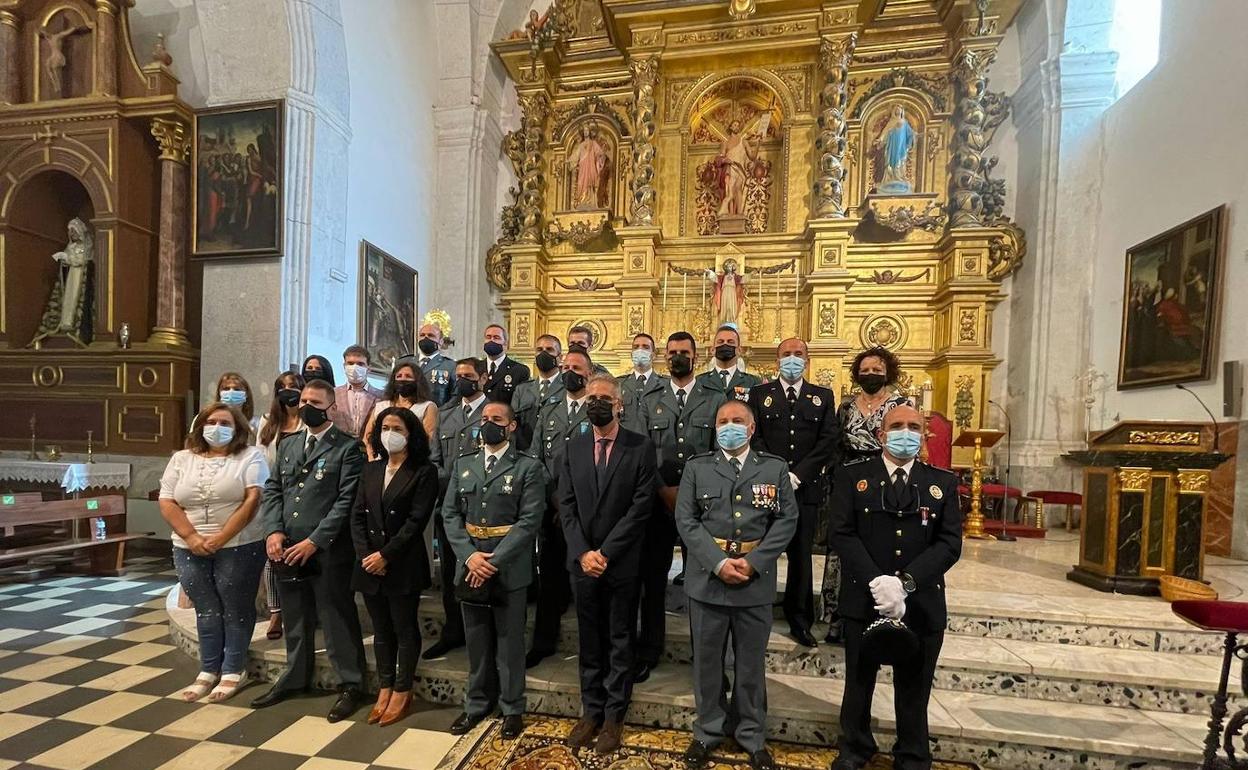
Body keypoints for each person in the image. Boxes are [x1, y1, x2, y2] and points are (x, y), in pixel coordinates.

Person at [829, 403, 961, 770]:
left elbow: (949, 543)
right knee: (858, 683)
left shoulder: (942, 483)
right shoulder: (852, 476)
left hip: (921, 601)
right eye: (897, 426)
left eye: (914, 427)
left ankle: (913, 755)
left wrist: (904, 584)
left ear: (924, 434)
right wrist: (877, 581)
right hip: (864, 597)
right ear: (881, 434)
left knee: (915, 687)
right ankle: (854, 748)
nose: (906, 433)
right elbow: (841, 532)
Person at [676, 400, 798, 770]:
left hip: (753, 581)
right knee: (707, 664)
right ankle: (707, 732)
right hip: (707, 581)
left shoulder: (774, 468)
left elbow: (786, 520)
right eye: (723, 421)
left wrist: (754, 562)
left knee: (750, 666)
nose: (729, 427)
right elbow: (686, 520)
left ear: (752, 428)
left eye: (737, 421)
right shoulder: (697, 467)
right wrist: (717, 563)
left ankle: (752, 735)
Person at [252, 379, 367, 722]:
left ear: (331, 407)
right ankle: (295, 676)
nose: (306, 407)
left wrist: (315, 541)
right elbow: (274, 489)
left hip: (327, 549)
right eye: (303, 401)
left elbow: (346, 501)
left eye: (315, 402)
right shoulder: (288, 444)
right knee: (296, 617)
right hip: (288, 545)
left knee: (335, 617)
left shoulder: (347, 448)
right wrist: (273, 530)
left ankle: (351, 683)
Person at [559, 375, 657, 754]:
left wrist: (606, 552)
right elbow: (566, 505)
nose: (597, 403)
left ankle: (615, 714)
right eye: (591, 398)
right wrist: (583, 553)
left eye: (604, 398)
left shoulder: (640, 447)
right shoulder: (574, 447)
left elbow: (640, 507)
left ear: (619, 404)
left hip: (620, 562)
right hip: (583, 562)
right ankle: (591, 710)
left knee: (619, 638)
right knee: (589, 639)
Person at [442, 401, 545, 740]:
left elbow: (529, 520)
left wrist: (492, 562)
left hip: (508, 567)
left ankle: (512, 707)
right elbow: (450, 515)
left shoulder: (527, 467)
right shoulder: (464, 464)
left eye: (496, 419)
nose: (488, 424)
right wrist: (470, 556)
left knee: (509, 642)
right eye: (484, 418)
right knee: (476, 641)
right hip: (470, 565)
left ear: (511, 426)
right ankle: (476, 703)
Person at [159, 402, 269, 703]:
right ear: (200, 426)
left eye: (225, 423)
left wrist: (220, 538)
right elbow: (167, 500)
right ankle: (208, 669)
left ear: (237, 429)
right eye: (211, 422)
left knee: (236, 606)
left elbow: (253, 499)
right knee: (206, 608)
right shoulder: (182, 458)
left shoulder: (250, 456)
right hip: (188, 544)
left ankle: (233, 668)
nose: (216, 428)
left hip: (238, 543)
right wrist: (191, 536)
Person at [634, 331, 726, 683]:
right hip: (658, 503)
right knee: (652, 580)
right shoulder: (649, 399)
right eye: (672, 352)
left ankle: (707, 659)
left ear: (695, 356)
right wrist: (663, 490)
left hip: (701, 506)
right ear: (665, 357)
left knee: (704, 583)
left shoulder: (714, 397)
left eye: (684, 352)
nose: (678, 357)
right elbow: (642, 450)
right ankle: (649, 650)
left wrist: (690, 494)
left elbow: (719, 451)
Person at [747, 338, 840, 647]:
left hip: (805, 489)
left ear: (807, 359)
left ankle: (799, 620)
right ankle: (757, 612)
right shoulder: (760, 394)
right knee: (763, 551)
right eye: (786, 354)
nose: (792, 358)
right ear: (777, 360)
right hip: (767, 487)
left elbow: (828, 440)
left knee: (801, 556)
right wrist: (777, 473)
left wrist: (798, 475)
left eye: (798, 354)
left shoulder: (822, 396)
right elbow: (754, 437)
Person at [351, 406, 438, 727]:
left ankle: (403, 689)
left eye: (397, 428)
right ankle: (385, 686)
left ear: (410, 434)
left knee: (404, 628)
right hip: (369, 564)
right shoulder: (371, 469)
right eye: (385, 428)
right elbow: (357, 516)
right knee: (381, 630)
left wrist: (385, 555)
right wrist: (366, 555)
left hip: (402, 563)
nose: (390, 434)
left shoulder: (423, 471)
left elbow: (416, 521)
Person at [821, 346, 910, 642]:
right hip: (848, 480)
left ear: (888, 372)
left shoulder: (900, 405)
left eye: (877, 370)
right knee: (843, 545)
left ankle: (878, 612)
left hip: (884, 479)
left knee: (877, 546)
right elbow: (836, 444)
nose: (870, 374)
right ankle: (837, 616)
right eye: (865, 370)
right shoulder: (846, 406)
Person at [526, 349, 594, 668]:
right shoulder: (549, 409)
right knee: (550, 578)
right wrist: (554, 496)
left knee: (586, 581)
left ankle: (591, 649)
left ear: (589, 374)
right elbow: (535, 457)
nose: (569, 372)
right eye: (565, 366)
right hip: (552, 508)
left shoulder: (596, 410)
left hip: (587, 509)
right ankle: (543, 642)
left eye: (576, 368)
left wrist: (573, 500)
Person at [423, 358, 489, 661]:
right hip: (450, 506)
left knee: (479, 570)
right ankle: (453, 631)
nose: (462, 380)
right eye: (459, 375)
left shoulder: (493, 413)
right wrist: (448, 487)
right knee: (451, 571)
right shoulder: (446, 414)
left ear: (483, 379)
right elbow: (434, 459)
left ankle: (481, 636)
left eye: (469, 375)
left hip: (482, 507)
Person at [256, 371, 306, 640]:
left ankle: (298, 610)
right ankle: (276, 612)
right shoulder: (268, 421)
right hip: (274, 492)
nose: (288, 390)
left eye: (294, 386)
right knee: (272, 554)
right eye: (283, 386)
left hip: (301, 493)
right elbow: (260, 458)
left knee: (292, 552)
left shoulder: (308, 421)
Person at [362, 360, 439, 458]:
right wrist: (371, 457)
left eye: (408, 376)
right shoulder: (381, 406)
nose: (403, 379)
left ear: (417, 381)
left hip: (413, 461)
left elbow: (429, 439)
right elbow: (367, 436)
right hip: (380, 460)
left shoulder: (427, 406)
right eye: (399, 376)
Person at [512, 334, 564, 450]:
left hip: (556, 451)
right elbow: (513, 423)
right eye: (539, 350)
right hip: (526, 451)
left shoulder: (567, 387)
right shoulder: (522, 390)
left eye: (549, 349)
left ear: (560, 357)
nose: (543, 353)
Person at [696, 325, 760, 403]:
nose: (725, 344)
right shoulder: (699, 382)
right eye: (720, 342)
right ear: (712, 350)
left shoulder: (753, 382)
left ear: (739, 350)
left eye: (730, 342)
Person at [618, 333, 665, 435]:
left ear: (653, 355)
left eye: (646, 347)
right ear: (631, 355)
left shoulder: (665, 384)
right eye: (636, 347)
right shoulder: (619, 384)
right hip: (626, 440)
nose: (640, 350)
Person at [334, 345, 383, 438]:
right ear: (344, 366)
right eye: (350, 363)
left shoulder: (381, 396)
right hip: (339, 444)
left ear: (368, 368)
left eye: (360, 364)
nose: (354, 367)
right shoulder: (333, 394)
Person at [481, 324, 530, 405]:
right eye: (488, 337)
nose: (491, 340)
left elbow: (521, 403)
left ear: (505, 343)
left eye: (496, 337)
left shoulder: (519, 370)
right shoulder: (476, 368)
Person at [202, 372, 260, 436]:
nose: (231, 392)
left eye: (237, 389)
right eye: (226, 389)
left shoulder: (257, 424)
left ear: (246, 394)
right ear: (219, 393)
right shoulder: (205, 419)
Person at [417, 324, 458, 406]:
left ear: (441, 341)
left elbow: (455, 396)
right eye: (422, 335)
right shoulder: (405, 362)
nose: (426, 338)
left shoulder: (451, 366)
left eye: (430, 335)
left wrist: (441, 412)